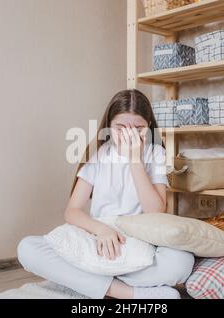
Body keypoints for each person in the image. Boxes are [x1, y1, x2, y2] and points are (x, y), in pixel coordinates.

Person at [17, 89, 194, 299]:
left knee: (182, 262)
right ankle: (125, 292)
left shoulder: (155, 153)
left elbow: (155, 210)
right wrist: (101, 230)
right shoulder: (100, 154)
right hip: (100, 238)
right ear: (110, 125)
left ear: (148, 127)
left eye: (138, 128)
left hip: (139, 240)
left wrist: (135, 160)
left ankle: (93, 282)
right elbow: (72, 211)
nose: (129, 135)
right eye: (121, 128)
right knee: (27, 248)